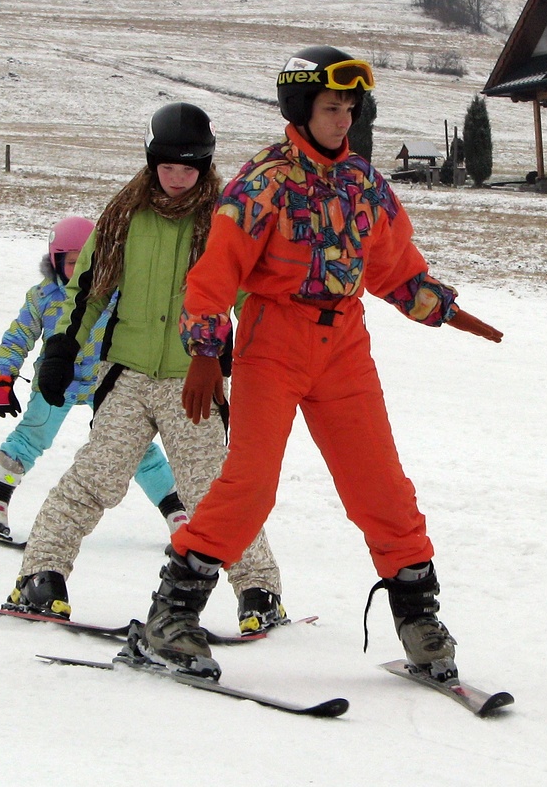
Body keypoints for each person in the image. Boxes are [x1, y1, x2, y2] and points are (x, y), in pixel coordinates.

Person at [137, 46, 503, 680]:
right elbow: (215, 273)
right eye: (334, 107)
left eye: (350, 108)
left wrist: (438, 306)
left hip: (344, 348)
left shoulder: (365, 184)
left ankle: (417, 615)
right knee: (250, 483)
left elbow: (393, 267)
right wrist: (203, 351)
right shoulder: (263, 182)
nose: (345, 119)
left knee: (381, 485)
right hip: (273, 341)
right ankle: (171, 614)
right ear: (300, 108)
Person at [6, 103, 284, 634]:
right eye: (169, 167)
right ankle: (41, 573)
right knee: (95, 478)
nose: (178, 179)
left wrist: (259, 367)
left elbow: (249, 299)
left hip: (194, 382)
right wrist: (63, 348)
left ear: (204, 167)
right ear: (152, 161)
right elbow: (88, 290)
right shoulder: (123, 216)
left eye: (190, 169)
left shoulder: (225, 220)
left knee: (214, 490)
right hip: (127, 376)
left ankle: (259, 587)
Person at [0, 214, 190, 541]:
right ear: (56, 261)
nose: (82, 268)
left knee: (133, 446)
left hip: (105, 383)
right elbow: (18, 337)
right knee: (32, 438)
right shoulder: (42, 297)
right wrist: (3, 379)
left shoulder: (117, 296)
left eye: (90, 260)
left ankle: (177, 512)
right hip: (56, 381)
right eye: (72, 262)